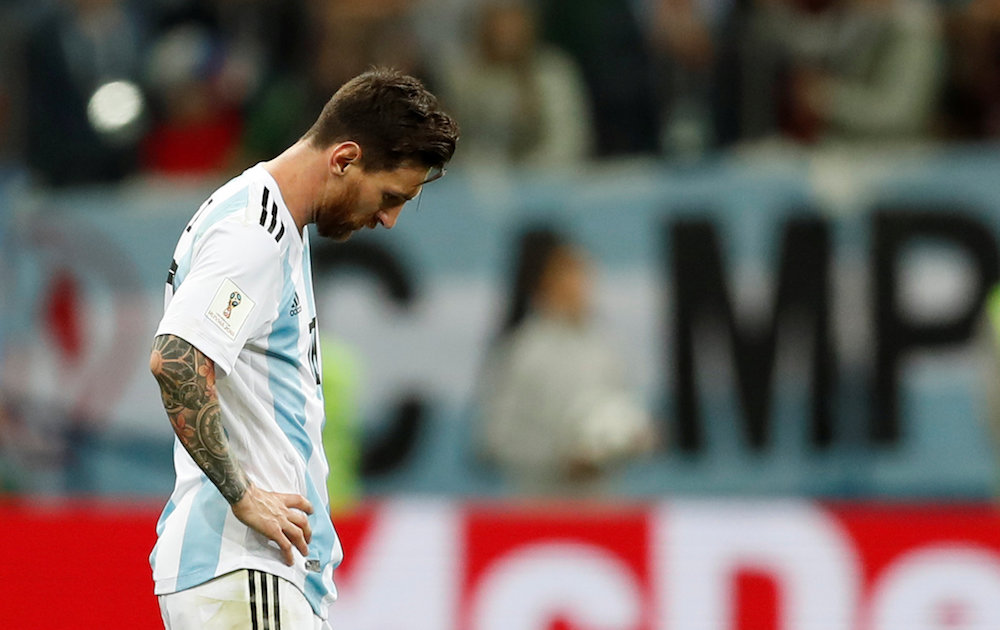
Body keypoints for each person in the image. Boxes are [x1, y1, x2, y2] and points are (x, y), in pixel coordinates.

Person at [148, 68, 458, 629]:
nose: (389, 220)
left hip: (253, 575)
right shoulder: (253, 234)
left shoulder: (268, 223)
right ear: (344, 158)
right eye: (391, 196)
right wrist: (244, 495)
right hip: (245, 565)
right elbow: (176, 359)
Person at [476, 229, 656, 495]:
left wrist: (636, 439)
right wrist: (560, 459)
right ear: (546, 283)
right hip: (538, 507)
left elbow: (625, 414)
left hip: (601, 506)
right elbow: (493, 438)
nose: (582, 285)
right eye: (571, 275)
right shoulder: (521, 351)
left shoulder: (606, 347)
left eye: (586, 275)